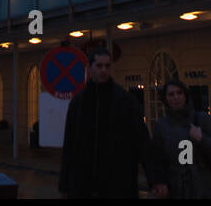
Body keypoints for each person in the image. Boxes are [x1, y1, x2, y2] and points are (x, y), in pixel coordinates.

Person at [58, 47, 158, 198]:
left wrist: (155, 180)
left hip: (118, 185)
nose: (104, 70)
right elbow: (70, 145)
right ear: (89, 68)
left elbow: (142, 141)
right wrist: (65, 184)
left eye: (107, 66)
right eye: (99, 66)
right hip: (84, 185)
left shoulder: (125, 100)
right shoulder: (78, 102)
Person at [149, 79, 211, 199]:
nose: (176, 97)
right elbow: (157, 158)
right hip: (174, 187)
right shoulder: (161, 125)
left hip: (201, 186)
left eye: (179, 93)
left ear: (186, 95)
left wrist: (202, 139)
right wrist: (159, 182)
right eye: (171, 94)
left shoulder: (201, 119)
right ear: (165, 99)